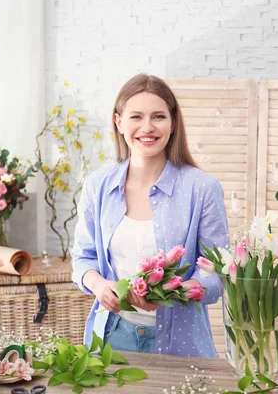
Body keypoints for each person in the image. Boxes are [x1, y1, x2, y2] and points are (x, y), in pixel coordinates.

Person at [71, 73, 229, 358]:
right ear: (119, 122)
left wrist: (171, 292)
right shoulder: (98, 186)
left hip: (182, 344)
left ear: (173, 123)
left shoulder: (202, 189)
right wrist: (99, 285)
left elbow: (218, 275)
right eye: (136, 117)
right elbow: (83, 258)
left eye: (158, 116)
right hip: (111, 338)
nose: (147, 127)